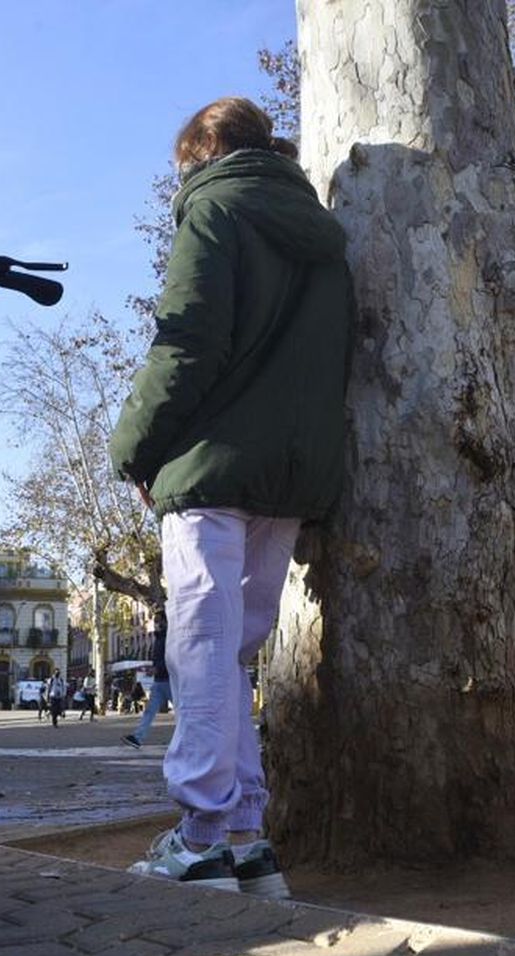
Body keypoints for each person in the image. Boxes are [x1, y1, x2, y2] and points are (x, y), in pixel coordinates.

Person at [107, 96, 351, 896]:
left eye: (183, 164)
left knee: (202, 645)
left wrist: (132, 446)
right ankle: (248, 835)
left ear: (205, 149)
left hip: (211, 468)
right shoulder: (323, 240)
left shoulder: (212, 210)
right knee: (233, 650)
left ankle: (201, 834)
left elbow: (188, 339)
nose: (180, 179)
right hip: (287, 475)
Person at [123, 606, 174, 749]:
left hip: (170, 680)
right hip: (159, 681)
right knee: (149, 711)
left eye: (158, 621)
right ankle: (137, 738)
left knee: (182, 711)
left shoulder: (170, 638)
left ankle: (192, 738)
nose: (155, 623)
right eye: (155, 621)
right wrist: (153, 668)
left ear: (165, 621)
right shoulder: (158, 639)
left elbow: (173, 658)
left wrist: (158, 668)